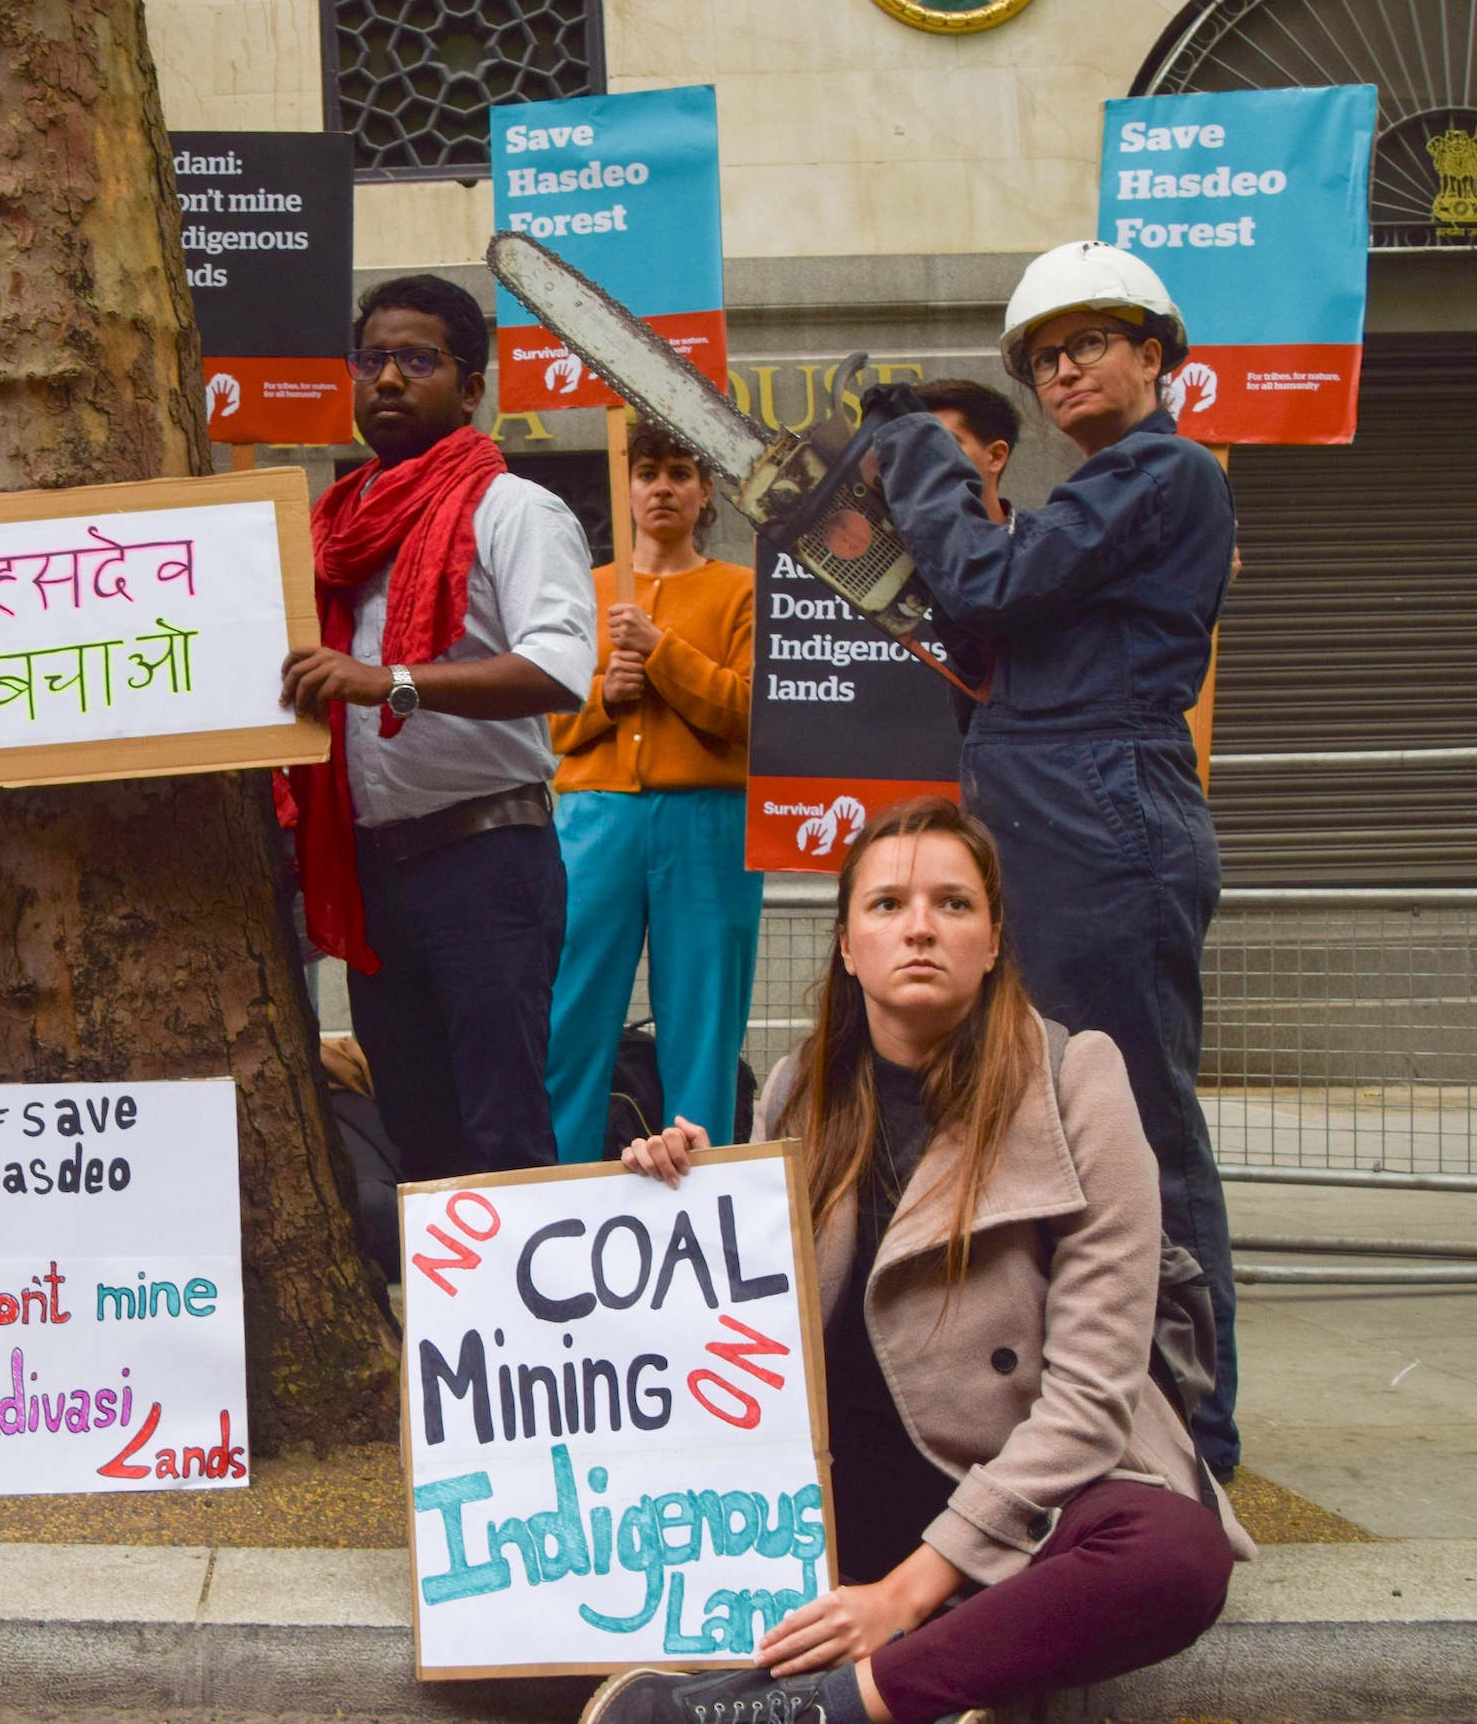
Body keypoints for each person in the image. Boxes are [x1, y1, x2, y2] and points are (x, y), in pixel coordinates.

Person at [594, 796, 1249, 1724]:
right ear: (847, 945)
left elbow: (1095, 1393)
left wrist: (902, 1593)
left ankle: (834, 1703)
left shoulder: (1078, 1078)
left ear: (992, 942)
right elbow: (748, 1347)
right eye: (887, 905)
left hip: (1032, 1488)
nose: (920, 928)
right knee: (586, 1585)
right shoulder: (796, 1090)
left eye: (953, 903)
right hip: (853, 1494)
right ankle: (924, 1678)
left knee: (1175, 1556)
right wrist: (681, 1198)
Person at [856, 241, 1241, 1476]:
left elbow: (986, 574)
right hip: (1048, 799)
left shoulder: (1160, 470)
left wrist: (917, 449)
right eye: (1045, 354)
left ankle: (1190, 1419)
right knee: (1057, 1114)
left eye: (1090, 342)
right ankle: (1086, 1389)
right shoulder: (1109, 493)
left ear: (1154, 354)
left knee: (1136, 1122)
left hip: (1099, 806)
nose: (1066, 367)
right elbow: (985, 608)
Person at [280, 275, 596, 1182]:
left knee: (503, 1134)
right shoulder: (331, 531)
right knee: (419, 1137)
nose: (387, 378)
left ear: (471, 388)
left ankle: (528, 1329)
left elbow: (560, 670)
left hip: (487, 863)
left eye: (417, 360)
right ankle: (438, 1328)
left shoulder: (515, 511)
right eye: (370, 358)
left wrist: (391, 682)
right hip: (376, 871)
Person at [542, 426, 757, 1164]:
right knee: (569, 1005)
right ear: (627, 489)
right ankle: (558, 1180)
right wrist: (606, 695)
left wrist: (663, 654)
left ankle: (701, 1186)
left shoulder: (741, 591)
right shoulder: (586, 590)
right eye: (647, 473)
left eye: (680, 472)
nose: (662, 486)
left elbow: (753, 713)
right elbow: (548, 721)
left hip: (709, 820)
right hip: (594, 814)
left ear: (706, 493)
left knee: (703, 1013)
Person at [910, 379, 1020, 524]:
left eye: (941, 444)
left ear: (995, 456)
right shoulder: (884, 544)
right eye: (914, 448)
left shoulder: (1045, 543)